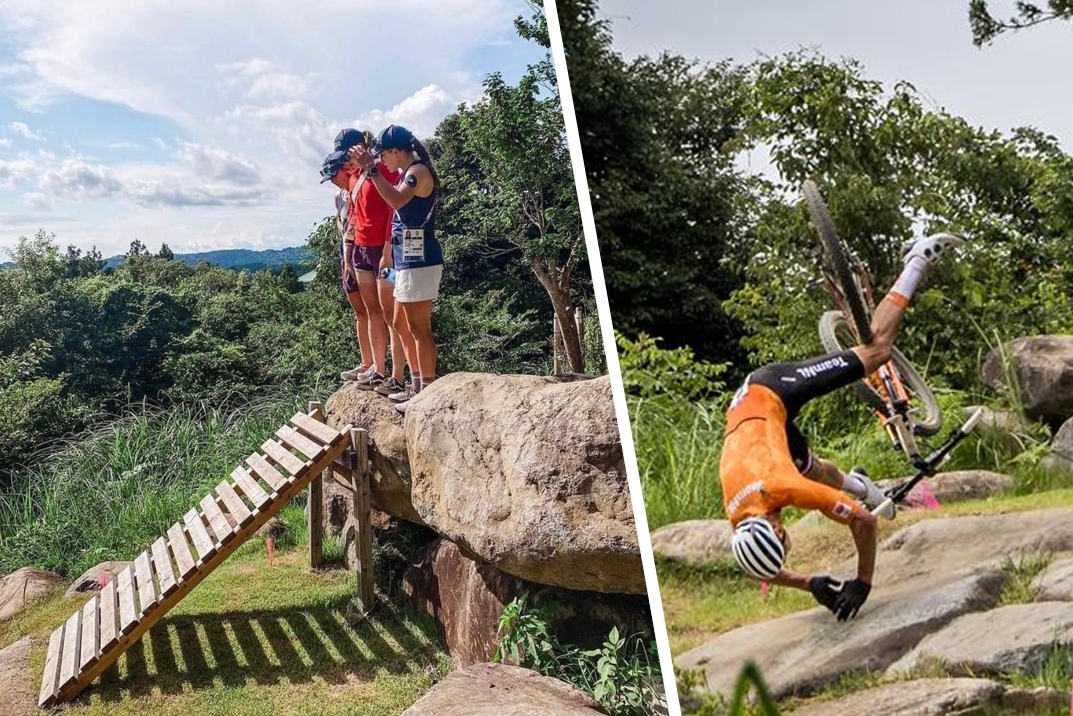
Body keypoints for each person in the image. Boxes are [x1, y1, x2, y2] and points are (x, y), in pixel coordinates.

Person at [721, 231, 964, 621]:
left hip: (770, 391)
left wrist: (862, 582)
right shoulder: (741, 518)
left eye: (785, 544)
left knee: (877, 350)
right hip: (759, 431)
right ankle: (860, 485)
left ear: (779, 533)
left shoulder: (783, 489)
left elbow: (863, 521)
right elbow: (756, 566)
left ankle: (918, 259)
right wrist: (810, 582)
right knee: (816, 470)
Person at [351, 125, 443, 414]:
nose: (382, 162)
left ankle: (426, 390)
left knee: (418, 328)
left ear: (395, 151)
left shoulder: (418, 173)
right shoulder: (408, 173)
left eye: (383, 155)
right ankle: (415, 386)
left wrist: (371, 170)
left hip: (420, 259)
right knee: (401, 323)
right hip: (405, 258)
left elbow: (395, 200)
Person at [336, 129, 408, 396]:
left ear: (358, 148)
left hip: (384, 251)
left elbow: (394, 209)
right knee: (372, 311)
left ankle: (397, 375)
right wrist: (350, 253)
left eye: (347, 157)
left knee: (392, 314)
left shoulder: (382, 170)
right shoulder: (355, 176)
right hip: (363, 250)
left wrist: (389, 249)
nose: (345, 164)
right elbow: (353, 215)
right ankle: (377, 369)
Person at [321, 140, 373, 384]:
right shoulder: (338, 197)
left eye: (335, 174)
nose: (333, 180)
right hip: (346, 256)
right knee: (360, 313)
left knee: (376, 311)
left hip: (363, 253)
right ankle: (366, 362)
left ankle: (378, 366)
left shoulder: (359, 185)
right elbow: (341, 226)